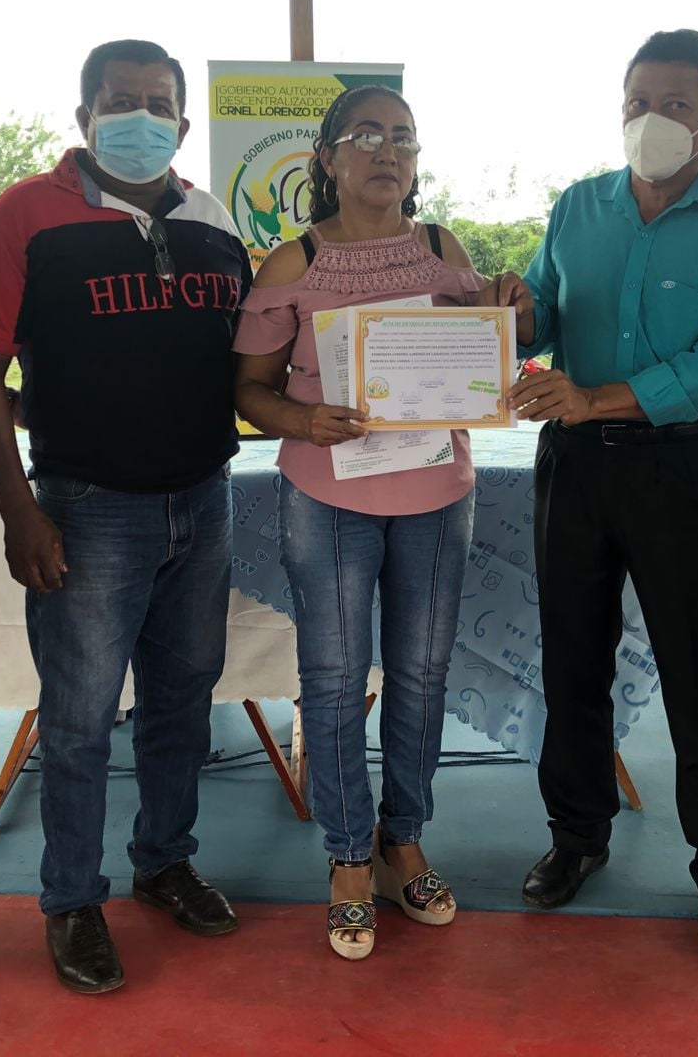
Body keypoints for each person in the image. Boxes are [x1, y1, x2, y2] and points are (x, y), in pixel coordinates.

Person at [0, 39, 252, 994]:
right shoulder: (25, 215)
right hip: (87, 509)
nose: (140, 115)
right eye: (120, 100)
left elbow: (251, 352)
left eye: (158, 102)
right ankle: (72, 900)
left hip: (204, 498)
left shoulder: (212, 220)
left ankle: (163, 861)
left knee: (183, 700)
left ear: (184, 122)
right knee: (81, 718)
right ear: (83, 116)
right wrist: (20, 508)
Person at [233, 84, 529, 960]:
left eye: (403, 136)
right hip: (328, 496)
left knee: (422, 675)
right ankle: (347, 858)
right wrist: (302, 419)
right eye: (366, 135)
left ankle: (403, 842)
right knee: (331, 679)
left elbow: (483, 362)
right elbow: (248, 391)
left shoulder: (443, 249)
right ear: (327, 158)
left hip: (437, 494)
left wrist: (507, 318)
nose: (387, 151)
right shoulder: (292, 263)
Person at [508, 30, 698, 961]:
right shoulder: (577, 206)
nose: (651, 119)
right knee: (571, 665)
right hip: (575, 468)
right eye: (637, 101)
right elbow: (543, 314)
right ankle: (576, 835)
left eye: (674, 105)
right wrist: (514, 313)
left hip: (678, 468)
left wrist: (595, 397)